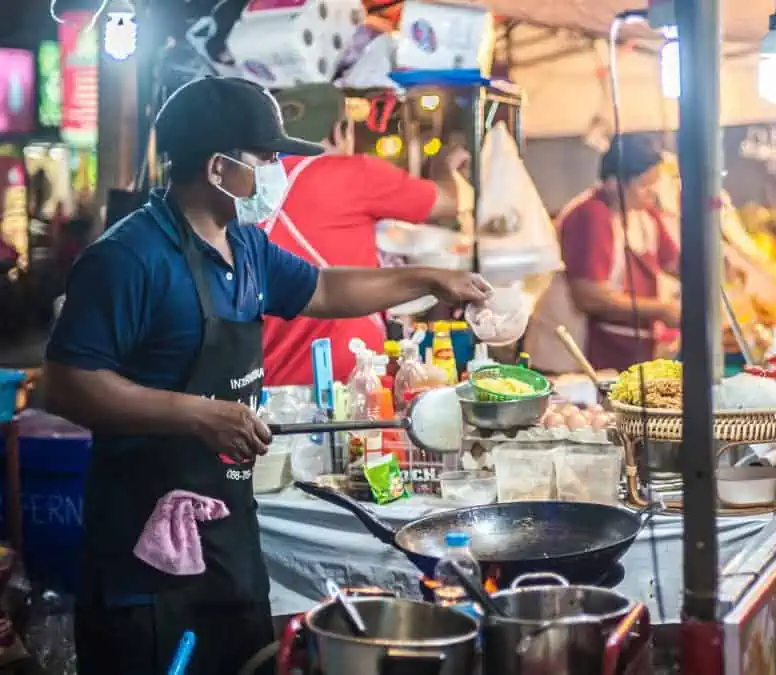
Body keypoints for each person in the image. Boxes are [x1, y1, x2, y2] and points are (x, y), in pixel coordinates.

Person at [42, 77, 490, 675]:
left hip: (229, 529)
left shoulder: (244, 245)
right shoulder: (128, 258)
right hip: (144, 540)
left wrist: (431, 278)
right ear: (219, 167)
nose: (279, 171)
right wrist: (199, 414)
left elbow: (323, 287)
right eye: (268, 159)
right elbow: (68, 384)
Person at [260, 83, 469, 386]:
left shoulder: (249, 187)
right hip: (346, 388)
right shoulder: (354, 174)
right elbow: (452, 202)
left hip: (266, 391)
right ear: (338, 131)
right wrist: (444, 167)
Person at [557, 136, 680, 372]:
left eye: (655, 183)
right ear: (613, 183)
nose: (652, 193)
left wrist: (714, 266)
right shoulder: (591, 216)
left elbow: (673, 263)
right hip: (582, 356)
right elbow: (589, 297)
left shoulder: (645, 215)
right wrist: (662, 309)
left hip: (631, 351)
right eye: (644, 184)